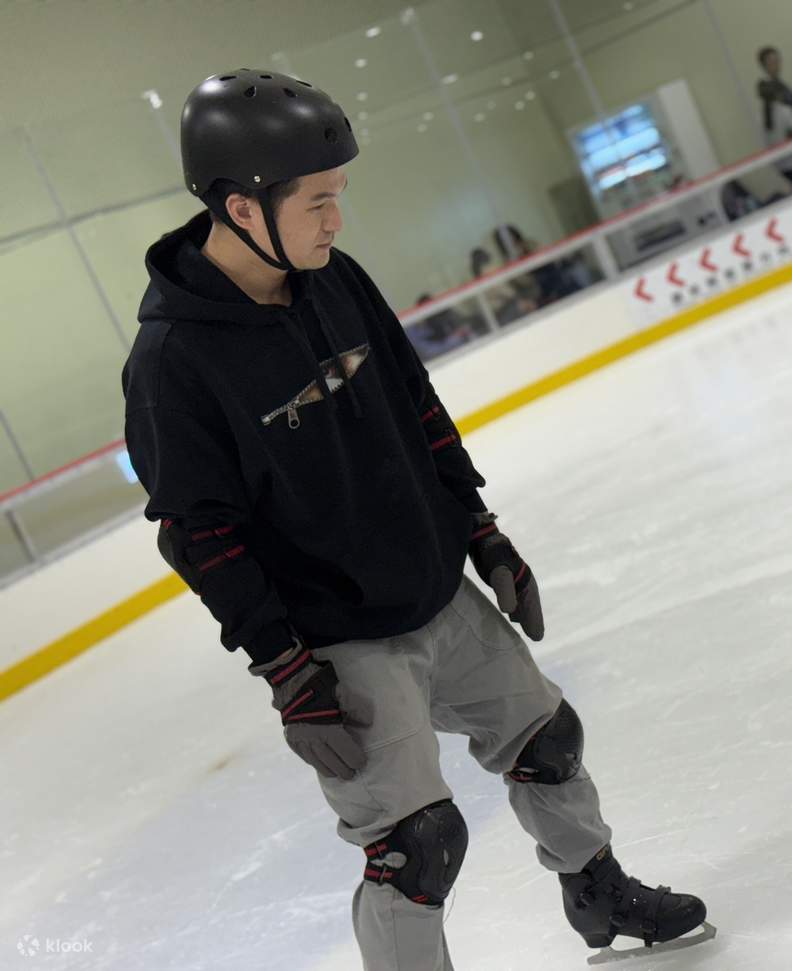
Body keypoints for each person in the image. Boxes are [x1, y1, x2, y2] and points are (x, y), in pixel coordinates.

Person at [122, 68, 711, 970]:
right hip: (337, 635)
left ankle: (596, 893)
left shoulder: (331, 278)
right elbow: (198, 535)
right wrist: (287, 669)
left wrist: (481, 531)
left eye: (339, 196)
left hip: (437, 589)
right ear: (242, 208)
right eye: (318, 201)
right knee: (416, 842)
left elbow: (415, 402)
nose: (335, 219)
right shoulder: (173, 361)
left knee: (545, 740)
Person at [756, 46, 792, 188]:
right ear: (764, 65)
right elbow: (783, 127)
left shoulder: (781, 86)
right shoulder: (770, 93)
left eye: (777, 60)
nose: (776, 64)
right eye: (771, 62)